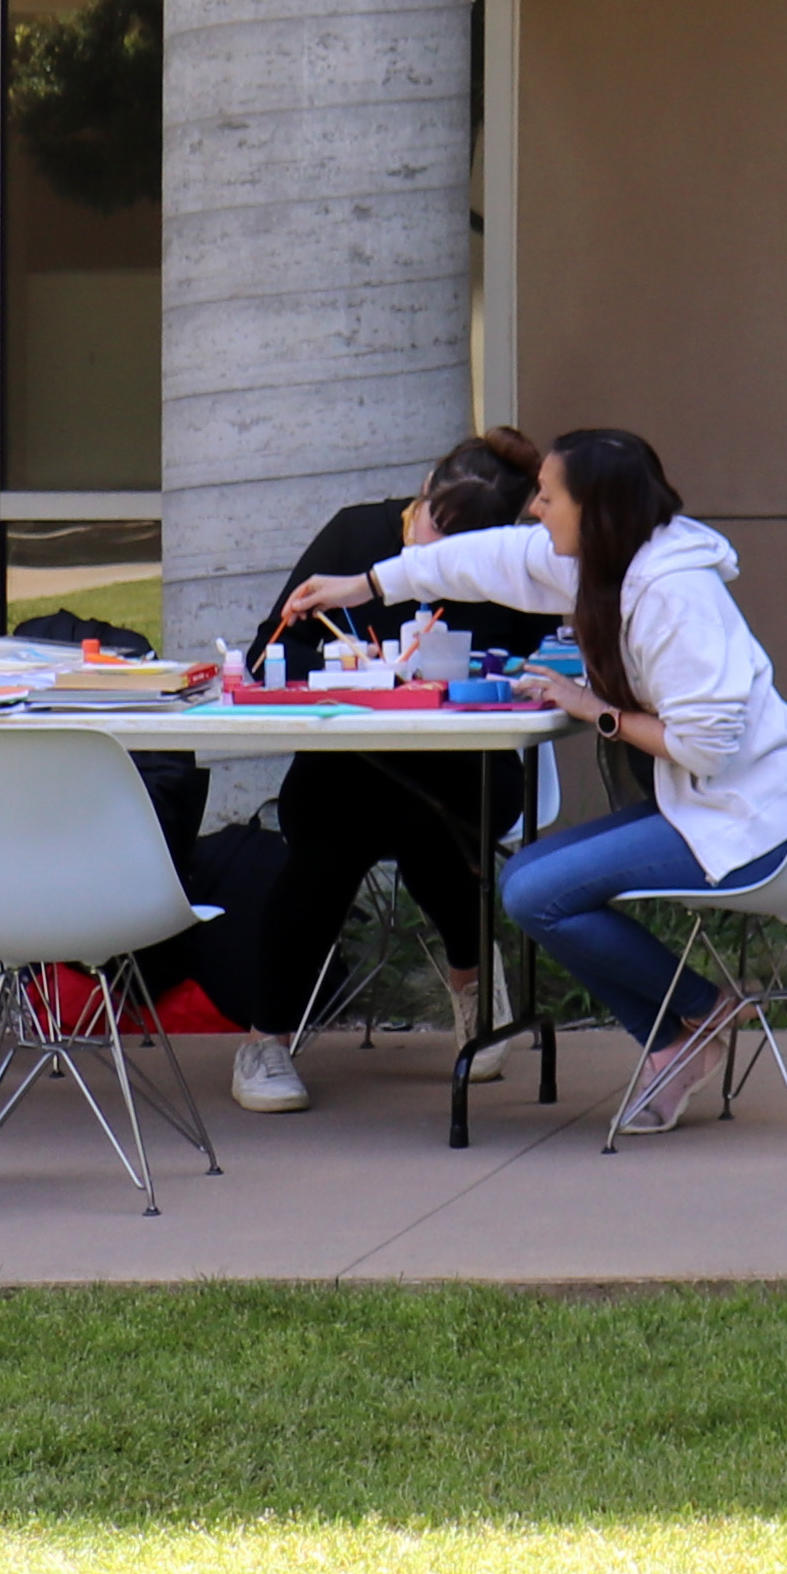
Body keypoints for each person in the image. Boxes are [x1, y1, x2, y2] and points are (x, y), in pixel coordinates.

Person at [278, 427, 787, 1138]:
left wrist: (596, 712)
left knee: (535, 892)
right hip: (707, 803)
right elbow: (488, 560)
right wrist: (368, 583)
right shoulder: (608, 560)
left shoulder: (674, 596)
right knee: (529, 877)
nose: (534, 509)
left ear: (593, 508)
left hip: (752, 816)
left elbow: (705, 748)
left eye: (547, 496)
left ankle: (695, 1007)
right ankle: (673, 1038)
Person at [193, 426, 562, 1110]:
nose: (428, 550)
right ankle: (267, 1039)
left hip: (465, 767)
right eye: (429, 524)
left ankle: (465, 983)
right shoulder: (356, 535)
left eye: (457, 549)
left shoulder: (520, 570)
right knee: (338, 837)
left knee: (423, 816)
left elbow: (541, 663)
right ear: (424, 490)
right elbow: (277, 645)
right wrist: (355, 670)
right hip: (350, 765)